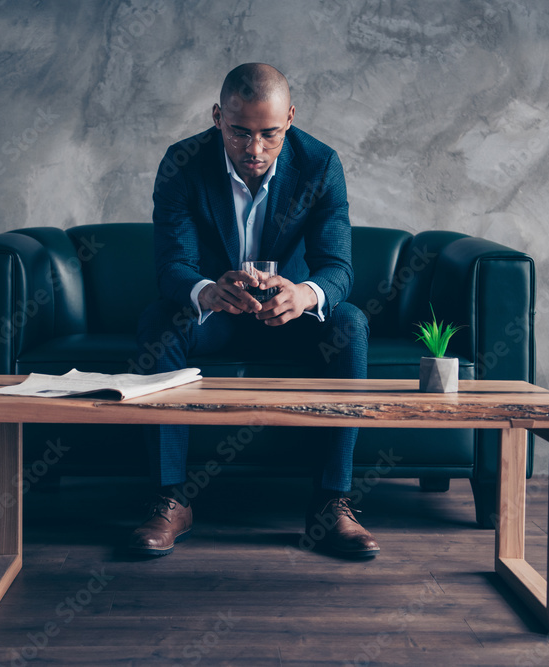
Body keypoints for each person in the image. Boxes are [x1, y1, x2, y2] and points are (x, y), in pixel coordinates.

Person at [132, 63, 376, 559]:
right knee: (159, 321)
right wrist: (206, 290)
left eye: (270, 134)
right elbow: (171, 265)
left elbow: (339, 268)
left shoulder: (320, 164)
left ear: (290, 118)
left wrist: (303, 294)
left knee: (350, 323)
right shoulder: (183, 162)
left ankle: (332, 503)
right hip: (216, 318)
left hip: (289, 318)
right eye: (240, 132)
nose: (255, 150)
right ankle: (172, 499)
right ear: (219, 116)